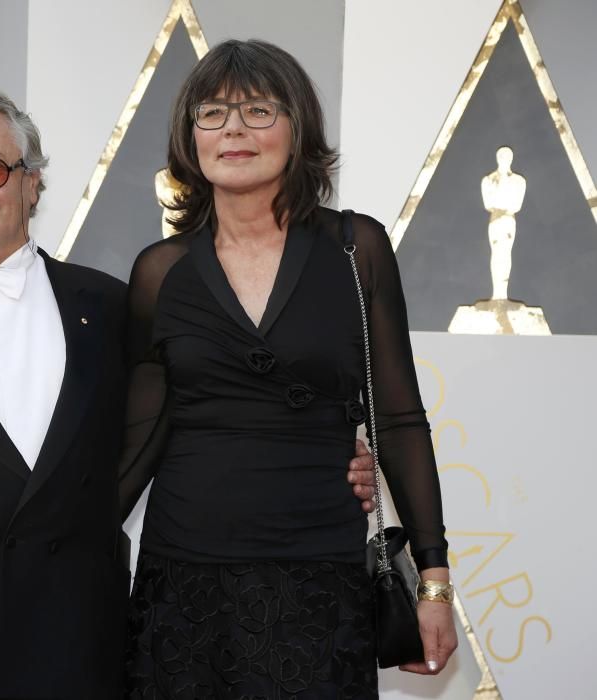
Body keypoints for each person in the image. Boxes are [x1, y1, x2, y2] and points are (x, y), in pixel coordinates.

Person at [0, 87, 377, 699]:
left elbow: (196, 421)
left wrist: (334, 455)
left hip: (75, 650)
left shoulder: (111, 306)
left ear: (31, 182)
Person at [119, 40, 457, 698]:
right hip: (185, 577)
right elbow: (136, 440)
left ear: (297, 128)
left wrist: (434, 580)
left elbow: (398, 418)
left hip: (319, 573)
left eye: (257, 110)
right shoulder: (159, 273)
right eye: (212, 113)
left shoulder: (356, 250)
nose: (234, 130)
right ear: (189, 138)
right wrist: (52, 559)